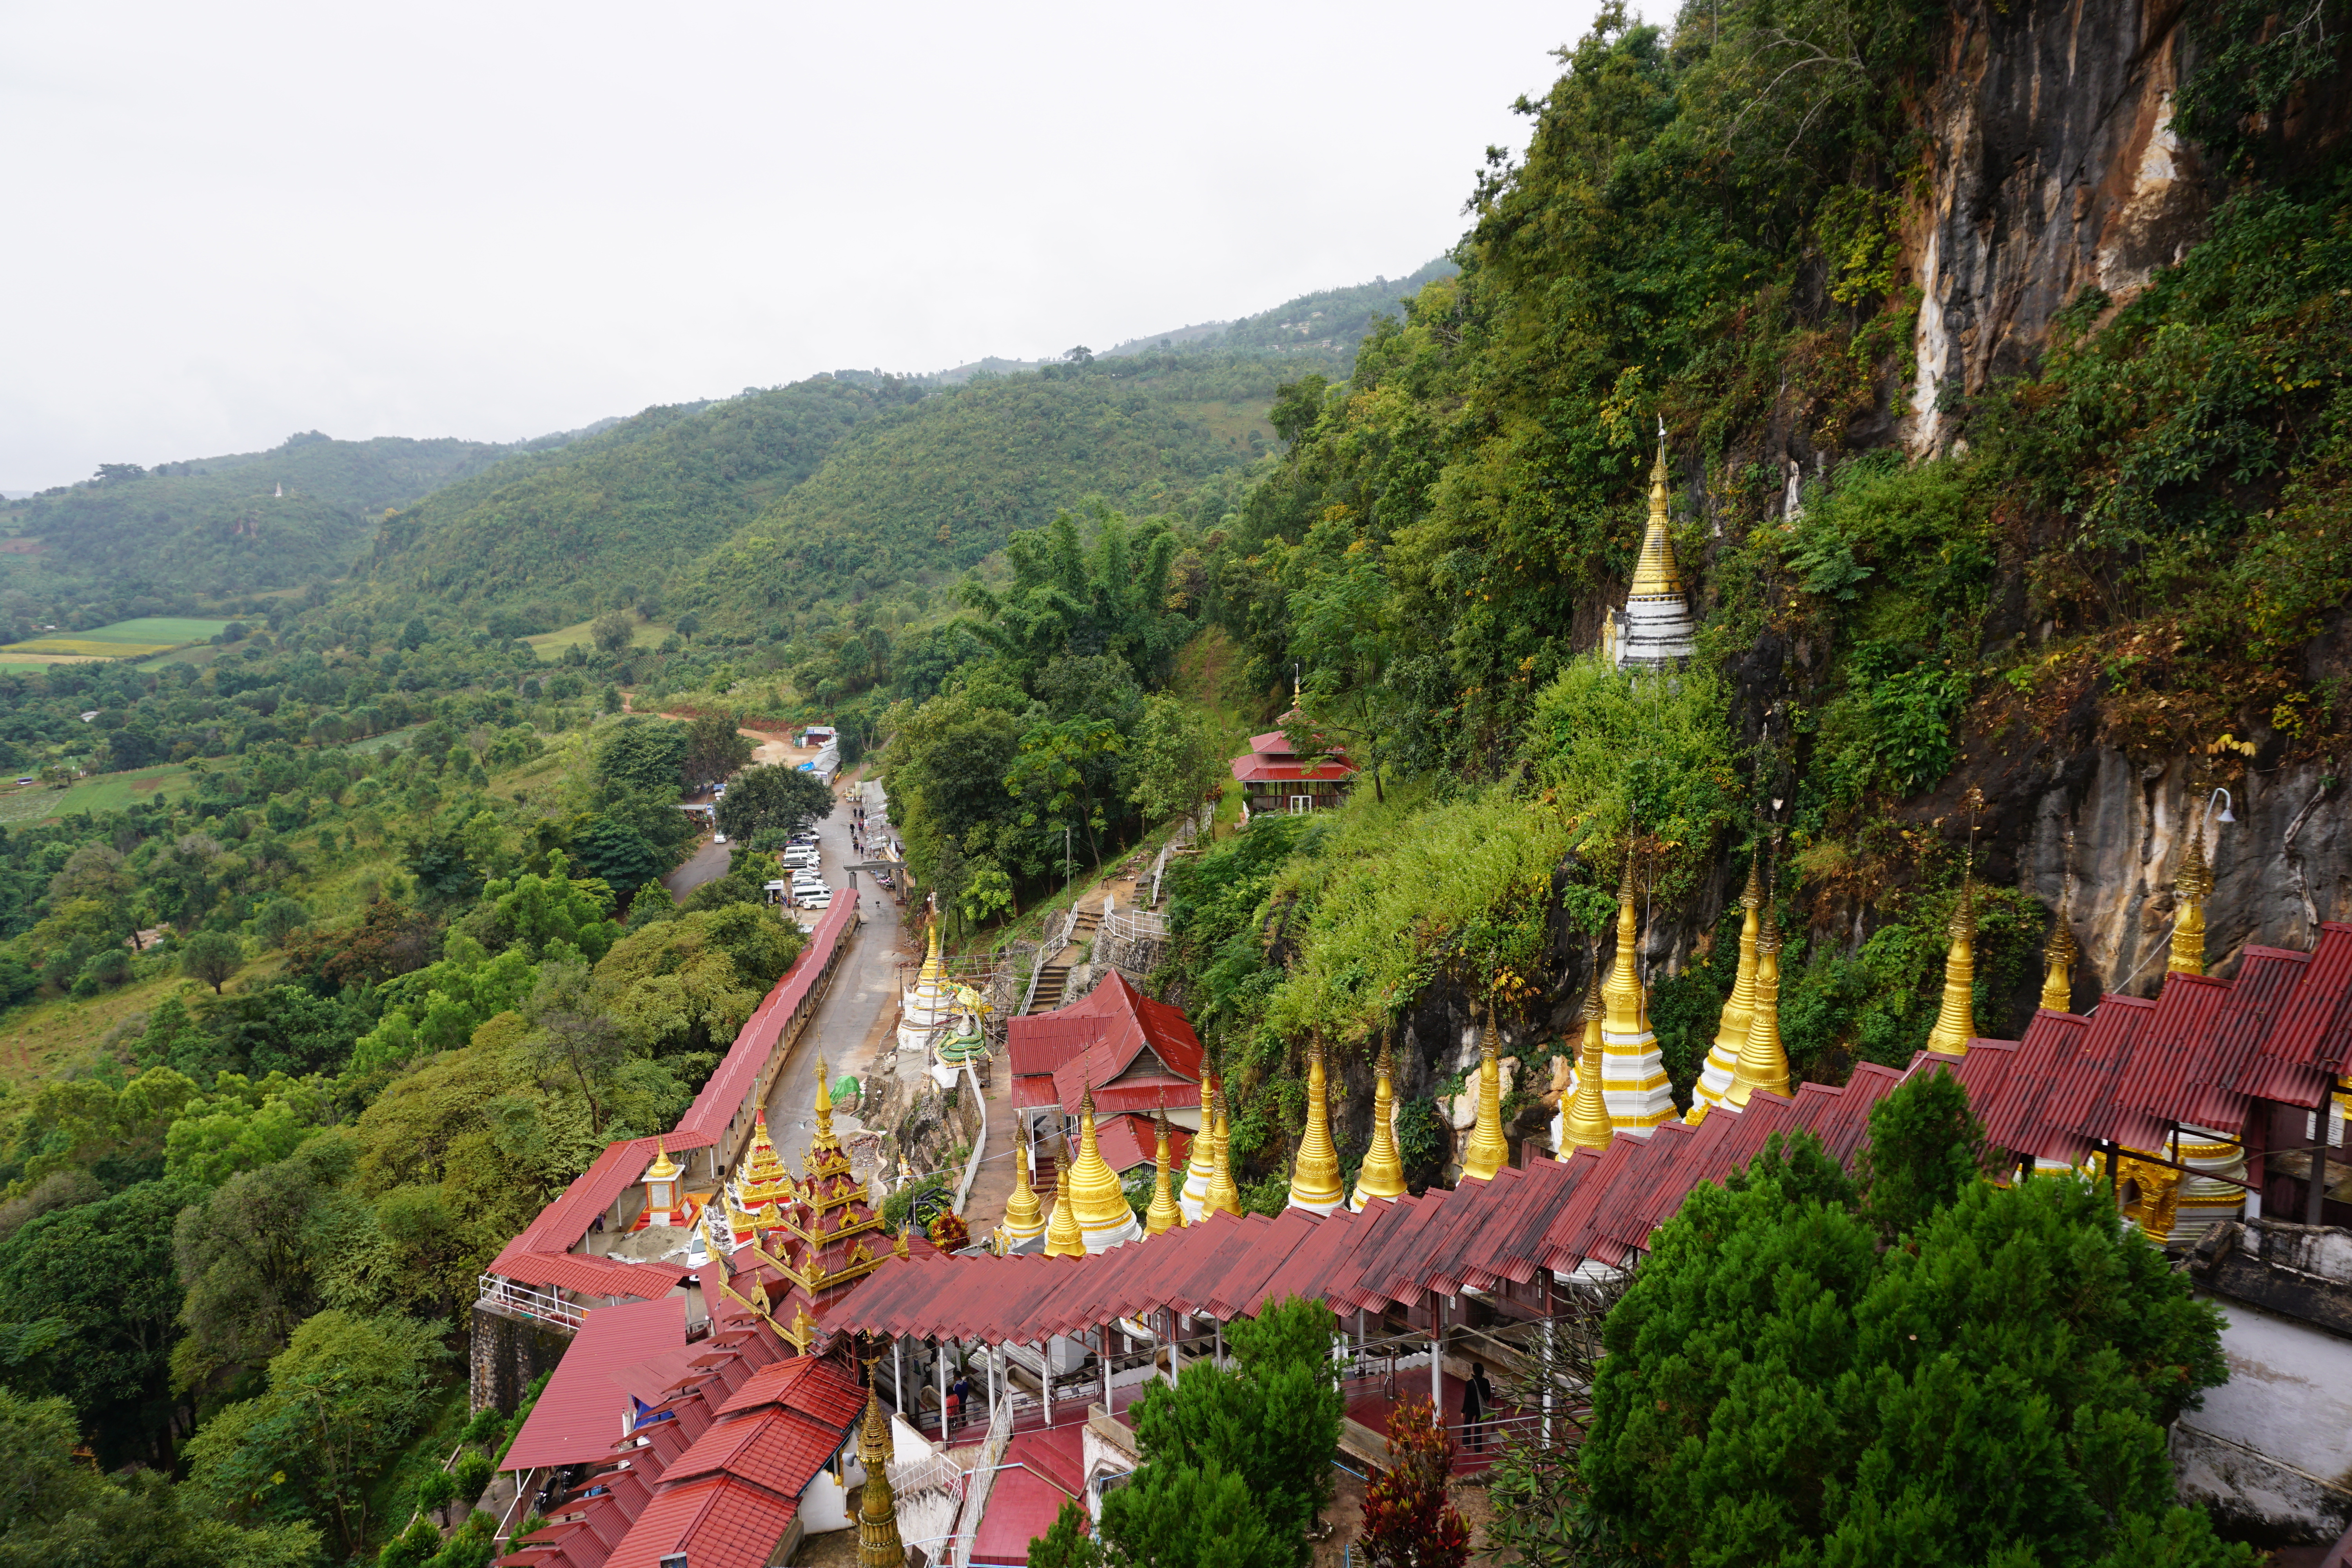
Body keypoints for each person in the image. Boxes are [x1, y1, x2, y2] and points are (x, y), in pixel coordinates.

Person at [1461, 1361, 1492, 1453]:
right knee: (1478, 1427)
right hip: (1480, 1409)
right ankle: (1478, 1448)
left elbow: (1467, 1398)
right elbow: (1489, 1396)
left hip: (1471, 1408)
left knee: (1467, 1424)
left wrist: (1463, 1411)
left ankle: (1467, 1444)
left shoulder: (1470, 1383)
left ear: (1474, 1371)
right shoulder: (1486, 1382)